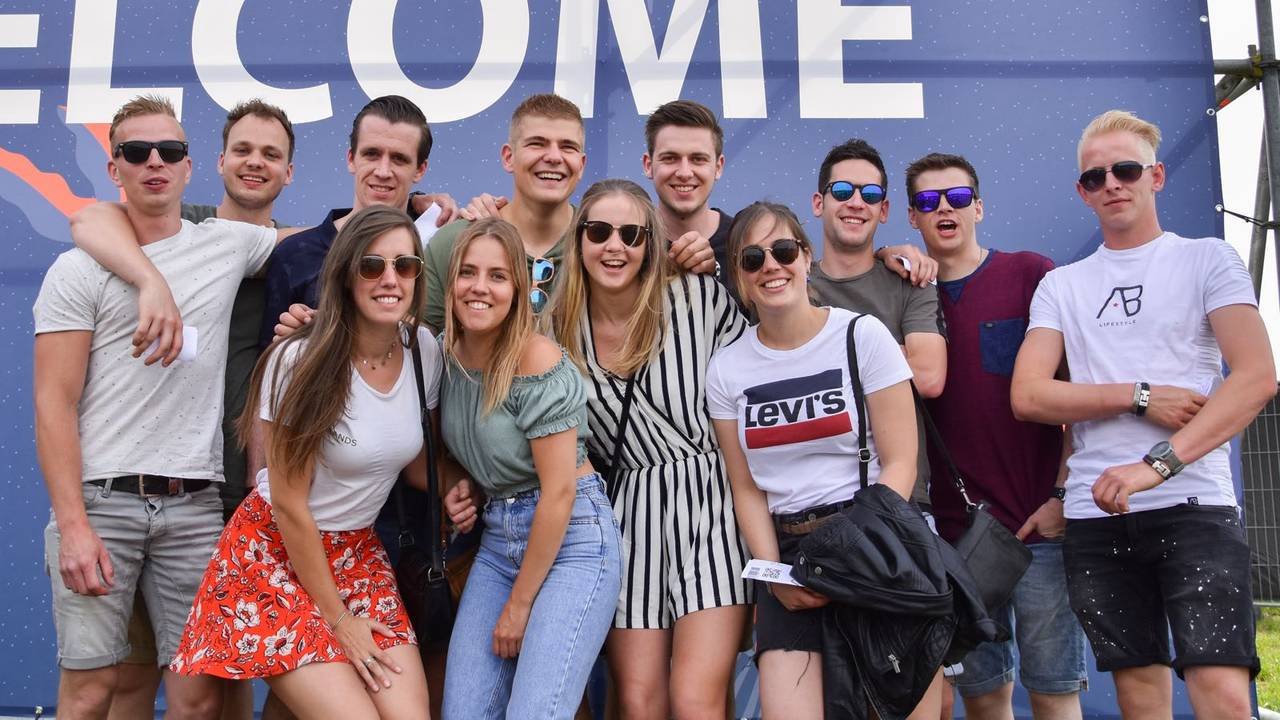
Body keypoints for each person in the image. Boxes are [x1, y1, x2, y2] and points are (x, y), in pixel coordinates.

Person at [1011, 109, 1277, 719]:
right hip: (1095, 518)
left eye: (1126, 170)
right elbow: (1029, 396)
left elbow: (1257, 377)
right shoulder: (1062, 285)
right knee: (1138, 698)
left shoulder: (1208, 259)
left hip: (1194, 509)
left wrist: (1154, 466)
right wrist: (1139, 394)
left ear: (1155, 176)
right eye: (1094, 177)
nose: (1112, 184)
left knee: (1223, 694)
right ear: (1082, 192)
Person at [34, 95, 276, 720]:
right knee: (90, 693)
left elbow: (333, 241)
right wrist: (74, 525)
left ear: (190, 166)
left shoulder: (228, 244)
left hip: (195, 507)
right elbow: (53, 403)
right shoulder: (76, 268)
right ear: (115, 168)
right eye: (136, 153)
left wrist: (420, 206)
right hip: (102, 503)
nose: (154, 163)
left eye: (168, 151)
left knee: (198, 700)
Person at [169, 206, 442, 719]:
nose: (390, 279)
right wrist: (340, 622)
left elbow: (417, 467)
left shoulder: (423, 349)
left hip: (357, 554)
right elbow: (290, 505)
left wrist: (465, 487)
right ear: (343, 274)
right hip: (275, 553)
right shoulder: (300, 359)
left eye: (404, 266)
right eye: (371, 266)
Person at [109, 98, 302, 720]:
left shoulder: (295, 260)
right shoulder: (173, 222)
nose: (255, 163)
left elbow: (359, 240)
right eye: (243, 150)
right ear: (214, 162)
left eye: (271, 154)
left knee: (226, 673)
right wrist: (150, 281)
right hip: (150, 483)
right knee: (130, 673)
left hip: (239, 494)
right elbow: (90, 220)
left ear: (290, 172)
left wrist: (424, 207)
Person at [705, 201, 936, 719]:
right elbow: (745, 488)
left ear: (806, 257)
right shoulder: (727, 369)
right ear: (740, 280)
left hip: (880, 546)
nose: (771, 264)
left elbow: (902, 462)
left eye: (784, 250)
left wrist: (854, 551)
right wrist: (772, 576)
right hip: (791, 559)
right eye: (752, 258)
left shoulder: (863, 335)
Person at [548, 178, 751, 718]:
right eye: (599, 231)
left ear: (650, 243)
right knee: (638, 702)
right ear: (579, 238)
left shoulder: (698, 298)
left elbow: (768, 366)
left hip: (712, 506)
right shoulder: (552, 329)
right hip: (625, 513)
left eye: (632, 234)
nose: (615, 246)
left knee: (696, 700)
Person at [904, 152, 1087, 718]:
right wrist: (893, 258)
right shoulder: (904, 291)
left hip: (1038, 531)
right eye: (929, 201)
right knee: (985, 700)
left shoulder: (1032, 274)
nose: (945, 209)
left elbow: (1076, 396)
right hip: (956, 540)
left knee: (1055, 696)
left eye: (957, 198)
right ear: (912, 217)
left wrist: (1060, 497)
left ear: (978, 207)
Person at [438, 218, 622, 719]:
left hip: (572, 539)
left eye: (497, 276)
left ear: (518, 290)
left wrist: (519, 606)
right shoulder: (445, 358)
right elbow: (453, 448)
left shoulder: (534, 357)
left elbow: (559, 493)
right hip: (499, 541)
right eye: (468, 273)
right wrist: (458, 484)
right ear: (450, 281)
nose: (480, 288)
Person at [429, 94, 717, 330]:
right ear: (508, 157)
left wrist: (701, 266)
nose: (553, 157)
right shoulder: (455, 242)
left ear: (581, 164)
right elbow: (421, 352)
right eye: (537, 143)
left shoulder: (607, 245)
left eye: (567, 147)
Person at [805, 139, 947, 515]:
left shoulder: (911, 281)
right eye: (841, 191)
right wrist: (893, 356)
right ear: (819, 203)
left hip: (901, 500)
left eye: (869, 194)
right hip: (806, 502)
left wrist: (819, 348)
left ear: (883, 210)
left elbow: (929, 377)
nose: (856, 203)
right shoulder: (790, 285)